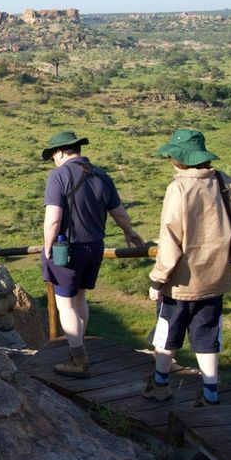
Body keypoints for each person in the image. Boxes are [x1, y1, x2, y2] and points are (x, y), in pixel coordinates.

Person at [142, 129, 231, 407]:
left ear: (179, 159)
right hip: (216, 277)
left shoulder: (178, 188)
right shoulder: (223, 181)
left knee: (167, 335)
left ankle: (160, 386)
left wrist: (157, 279)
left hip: (180, 282)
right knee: (207, 337)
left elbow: (171, 238)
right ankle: (211, 394)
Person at [41, 131, 144, 377]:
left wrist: (47, 248)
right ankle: (80, 348)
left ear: (60, 152)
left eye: (53, 155)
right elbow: (118, 212)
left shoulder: (59, 175)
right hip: (95, 247)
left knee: (64, 303)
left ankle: (78, 359)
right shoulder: (100, 174)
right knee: (80, 299)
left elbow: (53, 220)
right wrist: (130, 233)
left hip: (67, 249)